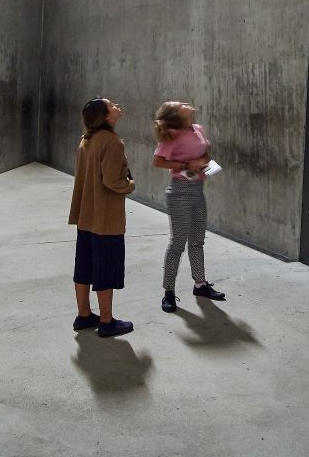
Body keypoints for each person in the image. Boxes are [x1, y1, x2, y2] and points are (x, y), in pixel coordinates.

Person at [68, 97, 136, 337]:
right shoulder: (112, 143)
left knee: (84, 265)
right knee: (105, 266)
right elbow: (112, 181)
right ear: (106, 115)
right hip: (105, 217)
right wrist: (129, 184)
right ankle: (106, 321)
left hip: (86, 215)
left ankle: (84, 314)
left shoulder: (86, 141)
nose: (117, 106)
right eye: (112, 105)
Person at [153, 100, 226, 312]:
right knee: (177, 243)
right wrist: (185, 165)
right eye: (181, 104)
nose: (187, 103)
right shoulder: (173, 134)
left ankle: (200, 284)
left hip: (198, 189)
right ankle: (168, 292)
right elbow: (158, 161)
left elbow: (205, 154)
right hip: (179, 191)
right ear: (177, 114)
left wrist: (204, 160)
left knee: (197, 241)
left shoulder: (198, 129)